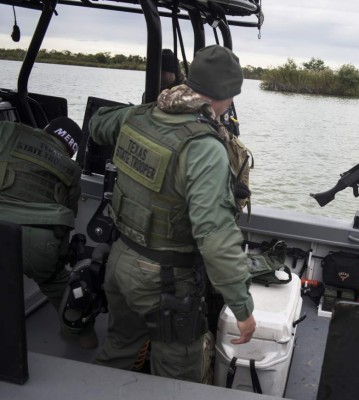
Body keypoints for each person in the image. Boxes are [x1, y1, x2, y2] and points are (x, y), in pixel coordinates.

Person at [89, 45, 256, 383]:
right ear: (226, 95)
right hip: (163, 280)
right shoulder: (205, 148)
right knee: (177, 376)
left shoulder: (141, 114)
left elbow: (97, 124)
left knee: (119, 346)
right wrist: (242, 308)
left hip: (119, 259)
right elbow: (216, 238)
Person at [0, 117, 98, 349]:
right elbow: (70, 215)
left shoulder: (10, 129)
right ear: (71, 149)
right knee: (57, 282)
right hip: (39, 243)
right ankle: (83, 336)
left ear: (45, 130)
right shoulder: (72, 170)